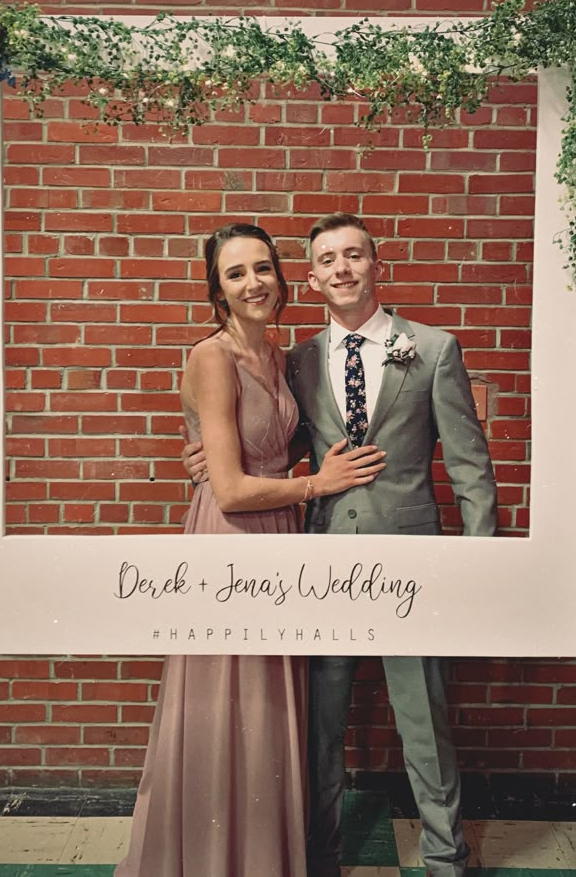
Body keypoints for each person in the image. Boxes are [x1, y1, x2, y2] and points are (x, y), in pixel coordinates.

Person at [183, 214, 498, 877]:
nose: (341, 269)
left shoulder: (434, 349)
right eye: (327, 260)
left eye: (353, 255)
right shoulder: (295, 360)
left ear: (375, 264)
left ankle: (447, 858)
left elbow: (470, 466)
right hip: (320, 561)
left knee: (424, 721)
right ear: (314, 276)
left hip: (411, 564)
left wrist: (479, 566)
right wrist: (217, 458)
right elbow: (286, 442)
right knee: (318, 723)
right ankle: (318, 855)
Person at [115, 222, 385, 877]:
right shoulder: (212, 356)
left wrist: (291, 466)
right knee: (227, 702)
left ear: (282, 276)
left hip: (279, 536)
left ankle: (264, 857)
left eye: (262, 267)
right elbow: (233, 491)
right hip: (231, 540)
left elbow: (266, 448)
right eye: (235, 274)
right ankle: (211, 861)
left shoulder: (278, 355)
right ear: (218, 289)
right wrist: (316, 483)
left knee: (267, 705)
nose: (253, 282)